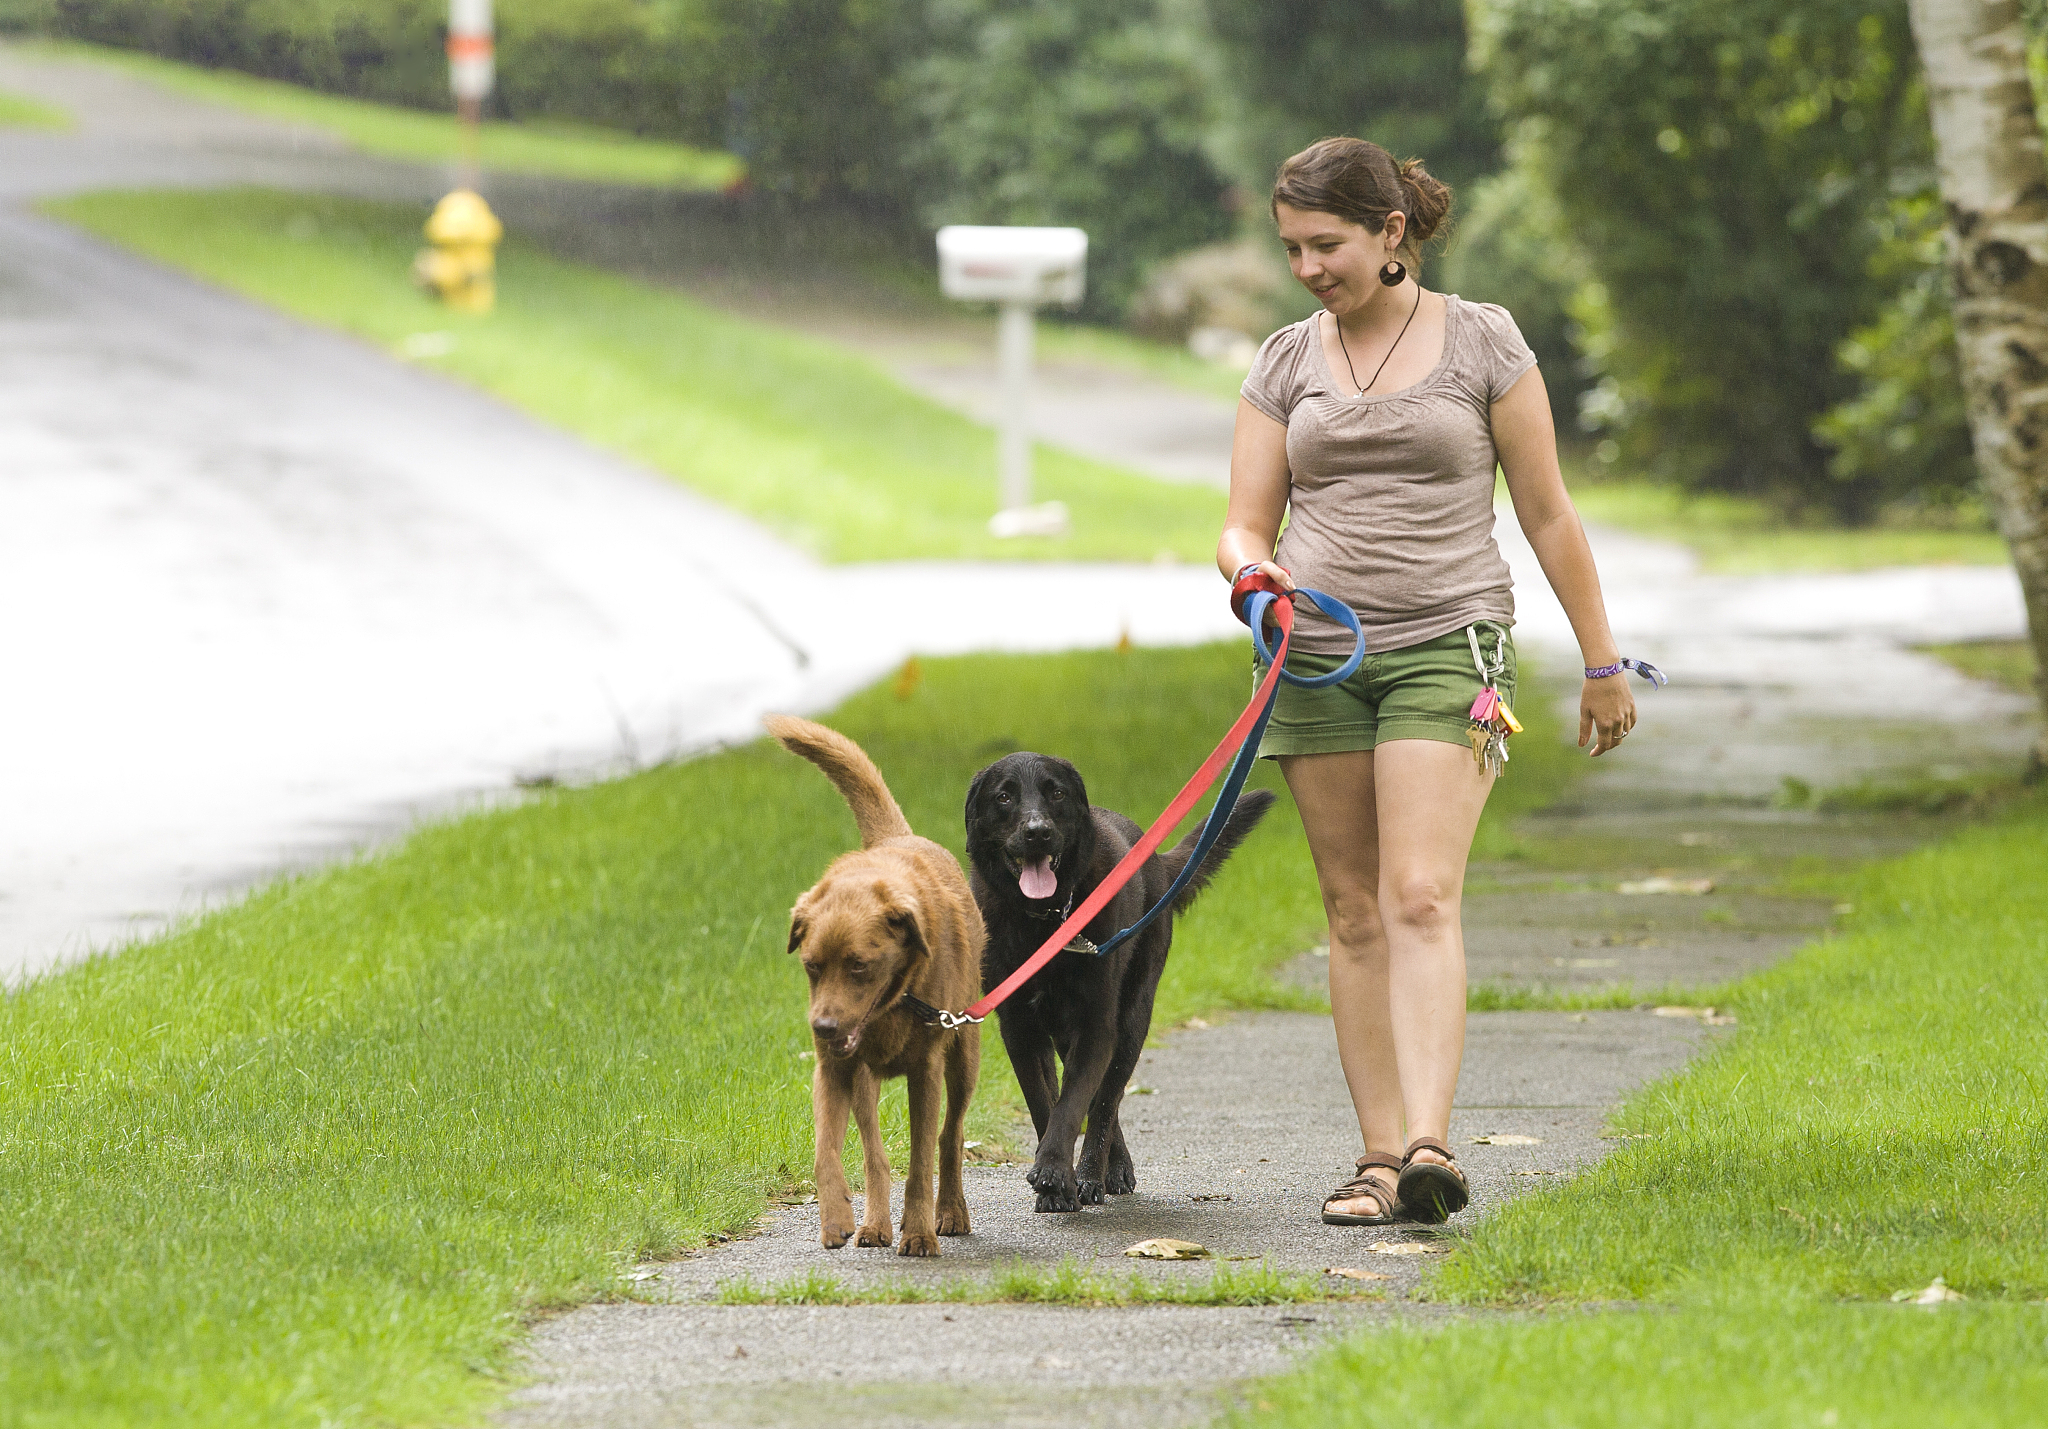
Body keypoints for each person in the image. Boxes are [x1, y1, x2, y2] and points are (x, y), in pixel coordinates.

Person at [1216, 137, 1641, 1225]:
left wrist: (1600, 661)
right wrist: (1249, 573)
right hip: (1314, 654)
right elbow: (1243, 523)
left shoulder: (1482, 341)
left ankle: (1427, 1145)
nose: (1307, 268)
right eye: (1292, 248)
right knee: (1351, 908)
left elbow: (1548, 512)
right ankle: (1374, 1158)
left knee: (1418, 893)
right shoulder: (1284, 361)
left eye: (1327, 244)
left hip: (1451, 643)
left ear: (1390, 231)